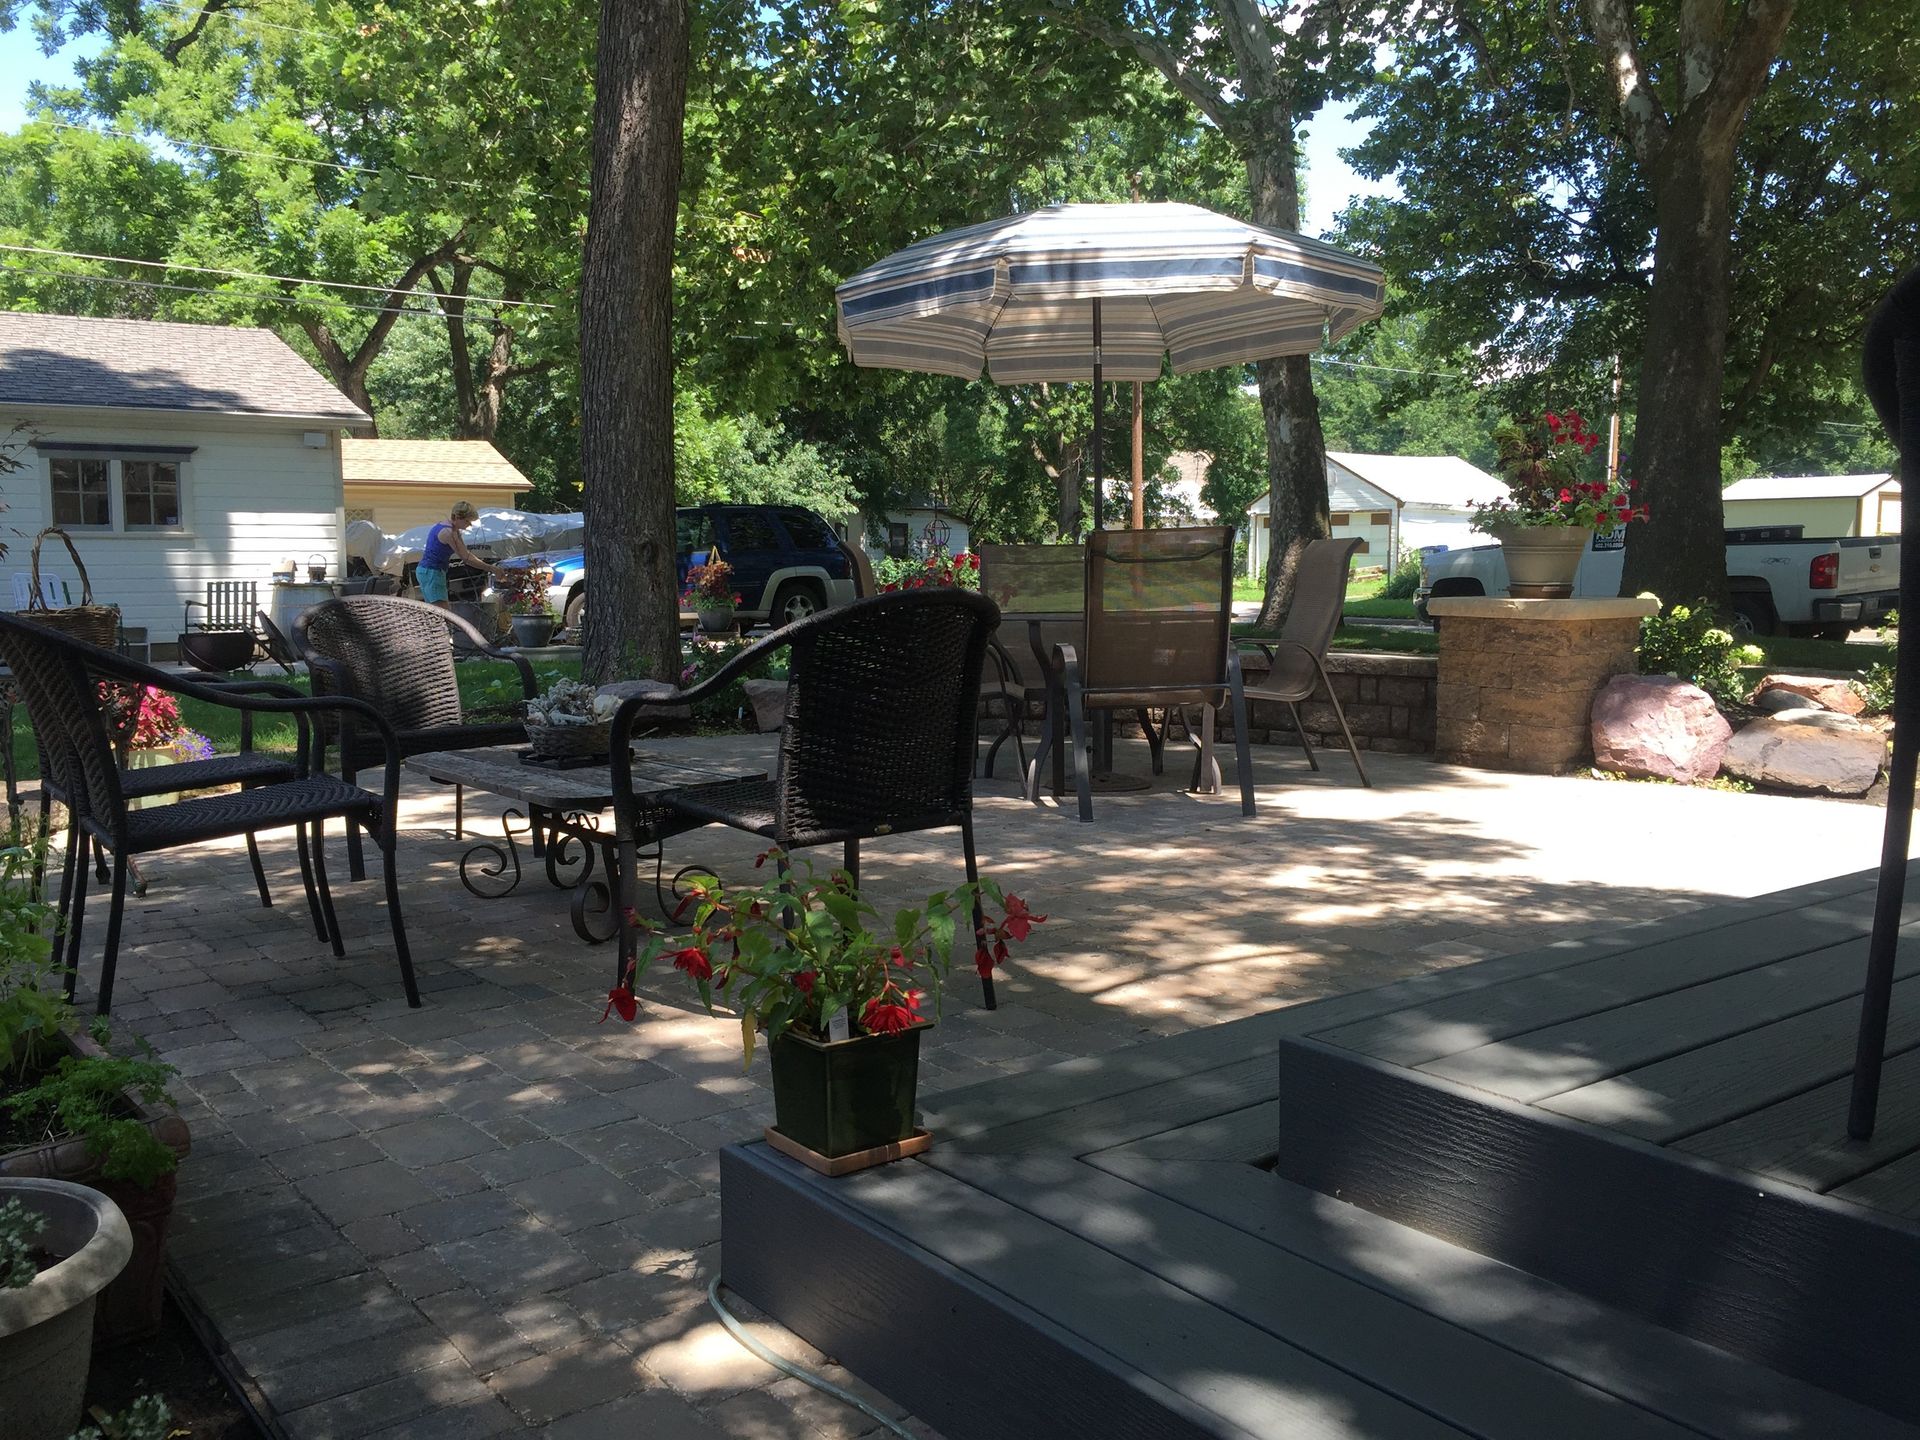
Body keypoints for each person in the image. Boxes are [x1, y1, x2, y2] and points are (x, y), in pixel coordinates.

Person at [417, 501, 500, 609]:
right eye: (467, 521)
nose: (469, 525)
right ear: (457, 517)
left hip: (430, 571)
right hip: (432, 572)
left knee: (436, 612)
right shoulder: (448, 532)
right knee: (442, 613)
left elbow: (467, 553)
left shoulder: (451, 528)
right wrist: (492, 568)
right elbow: (466, 558)